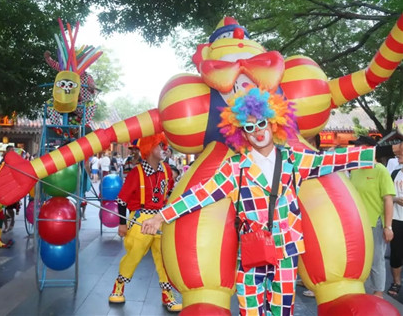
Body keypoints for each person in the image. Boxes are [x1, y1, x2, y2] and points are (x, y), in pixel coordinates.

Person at [141, 87, 384, 316]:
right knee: (250, 309)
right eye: (249, 127)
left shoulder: (294, 159)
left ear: (273, 122)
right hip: (251, 251)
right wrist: (160, 217)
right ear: (241, 132)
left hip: (286, 250)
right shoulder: (234, 167)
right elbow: (199, 195)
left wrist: (373, 154)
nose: (257, 131)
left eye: (261, 123)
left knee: (281, 310)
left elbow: (331, 161)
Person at [109, 133, 182, 312]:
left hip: (161, 218)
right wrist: (122, 223)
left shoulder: (166, 170)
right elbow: (122, 200)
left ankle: (167, 293)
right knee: (134, 255)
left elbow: (169, 193)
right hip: (140, 218)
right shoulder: (137, 173)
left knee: (163, 257)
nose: (163, 149)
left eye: (164, 146)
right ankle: (119, 285)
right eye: (159, 146)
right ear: (149, 150)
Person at [349, 136, 395, 298]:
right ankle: (359, 289)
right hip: (357, 224)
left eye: (359, 147)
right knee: (359, 259)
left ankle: (378, 292)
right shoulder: (355, 169)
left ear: (370, 149)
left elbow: (388, 199)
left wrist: (388, 227)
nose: (356, 150)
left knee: (376, 260)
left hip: (375, 222)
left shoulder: (380, 170)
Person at [387, 144, 403, 298]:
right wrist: (396, 199)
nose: (398, 156)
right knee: (396, 253)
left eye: (400, 154)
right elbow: (387, 196)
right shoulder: (394, 174)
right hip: (397, 219)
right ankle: (396, 282)